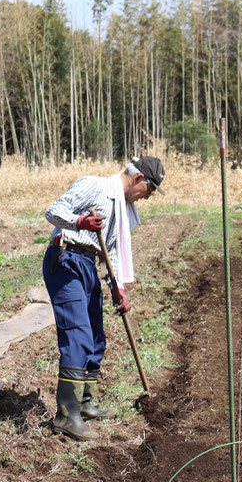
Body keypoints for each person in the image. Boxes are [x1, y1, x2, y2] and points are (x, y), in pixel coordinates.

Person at [42, 156, 165, 441]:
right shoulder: (95, 187)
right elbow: (53, 211)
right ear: (138, 180)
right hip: (66, 261)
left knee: (96, 336)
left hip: (87, 265)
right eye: (149, 191)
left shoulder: (121, 209)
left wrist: (116, 287)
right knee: (78, 334)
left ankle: (85, 402)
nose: (147, 198)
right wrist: (79, 221)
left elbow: (107, 252)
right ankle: (65, 415)